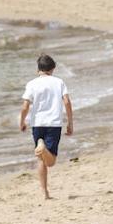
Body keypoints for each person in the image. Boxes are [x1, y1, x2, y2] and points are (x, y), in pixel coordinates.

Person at [19, 54, 73, 200]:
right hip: (54, 123)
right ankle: (42, 147)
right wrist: (70, 123)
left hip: (37, 124)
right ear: (53, 68)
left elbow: (25, 106)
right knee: (51, 161)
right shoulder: (59, 82)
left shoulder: (32, 84)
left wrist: (22, 122)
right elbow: (67, 102)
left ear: (38, 70)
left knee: (41, 159)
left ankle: (44, 192)